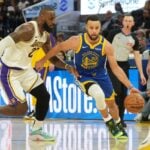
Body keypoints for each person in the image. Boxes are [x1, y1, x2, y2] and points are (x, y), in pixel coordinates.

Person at [35, 15, 139, 139]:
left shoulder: (106, 46)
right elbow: (57, 48)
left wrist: (130, 86)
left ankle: (118, 124)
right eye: (91, 28)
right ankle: (109, 123)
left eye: (96, 28)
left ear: (100, 28)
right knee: (98, 94)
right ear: (86, 27)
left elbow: (116, 68)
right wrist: (43, 60)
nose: (94, 31)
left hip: (102, 76)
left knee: (111, 104)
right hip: (83, 76)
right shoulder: (76, 41)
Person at [0, 6, 70, 141]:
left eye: (54, 18)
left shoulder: (45, 36)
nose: (53, 22)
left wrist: (68, 66)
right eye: (51, 18)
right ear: (42, 17)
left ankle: (36, 131)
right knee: (21, 109)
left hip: (25, 70)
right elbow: (3, 43)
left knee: (44, 96)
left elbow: (53, 58)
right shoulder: (27, 30)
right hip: (9, 71)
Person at [107, 14, 147, 127]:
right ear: (123, 22)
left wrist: (141, 73)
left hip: (124, 65)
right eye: (126, 20)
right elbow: (105, 48)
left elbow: (137, 56)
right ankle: (114, 118)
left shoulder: (134, 39)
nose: (128, 22)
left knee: (124, 94)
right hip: (111, 65)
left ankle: (120, 120)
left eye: (130, 21)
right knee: (117, 91)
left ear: (133, 23)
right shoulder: (113, 33)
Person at [24, 33, 56, 120]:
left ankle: (35, 111)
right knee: (32, 88)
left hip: (42, 64)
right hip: (31, 64)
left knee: (39, 88)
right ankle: (33, 109)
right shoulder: (32, 35)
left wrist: (51, 62)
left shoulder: (49, 36)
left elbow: (53, 49)